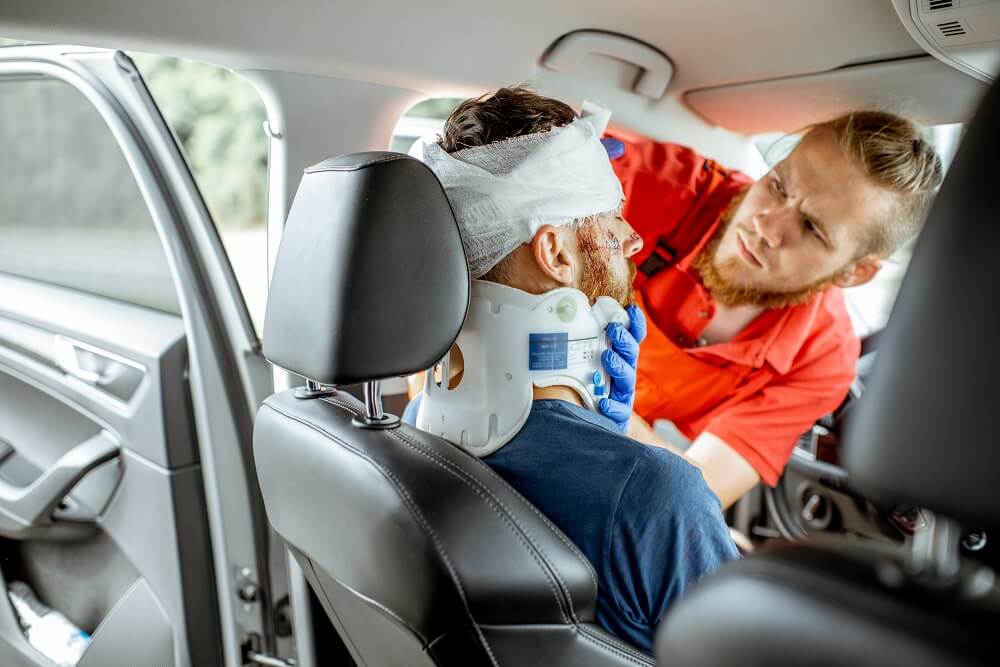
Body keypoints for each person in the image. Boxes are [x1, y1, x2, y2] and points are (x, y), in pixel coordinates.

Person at [407, 86, 739, 653]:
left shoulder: (411, 430)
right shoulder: (658, 496)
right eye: (611, 227)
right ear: (557, 253)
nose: (630, 245)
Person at [608, 114, 943, 508]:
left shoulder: (821, 358)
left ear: (857, 271)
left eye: (812, 228)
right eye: (778, 185)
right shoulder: (630, 183)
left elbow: (702, 491)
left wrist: (594, 408)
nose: (766, 226)